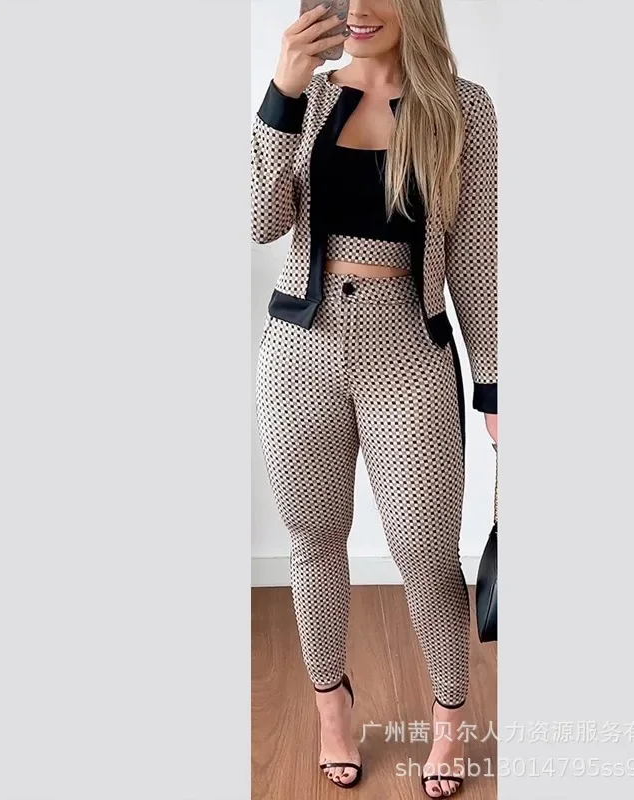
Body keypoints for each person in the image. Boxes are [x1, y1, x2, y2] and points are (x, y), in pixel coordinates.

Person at [251, 0, 497, 795]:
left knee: (427, 553)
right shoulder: (308, 94)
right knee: (314, 540)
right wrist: (282, 92)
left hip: (409, 355)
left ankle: (449, 722)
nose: (358, 7)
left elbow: (478, 259)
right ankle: (333, 711)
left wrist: (495, 386)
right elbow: (258, 220)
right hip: (302, 351)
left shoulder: (463, 108)